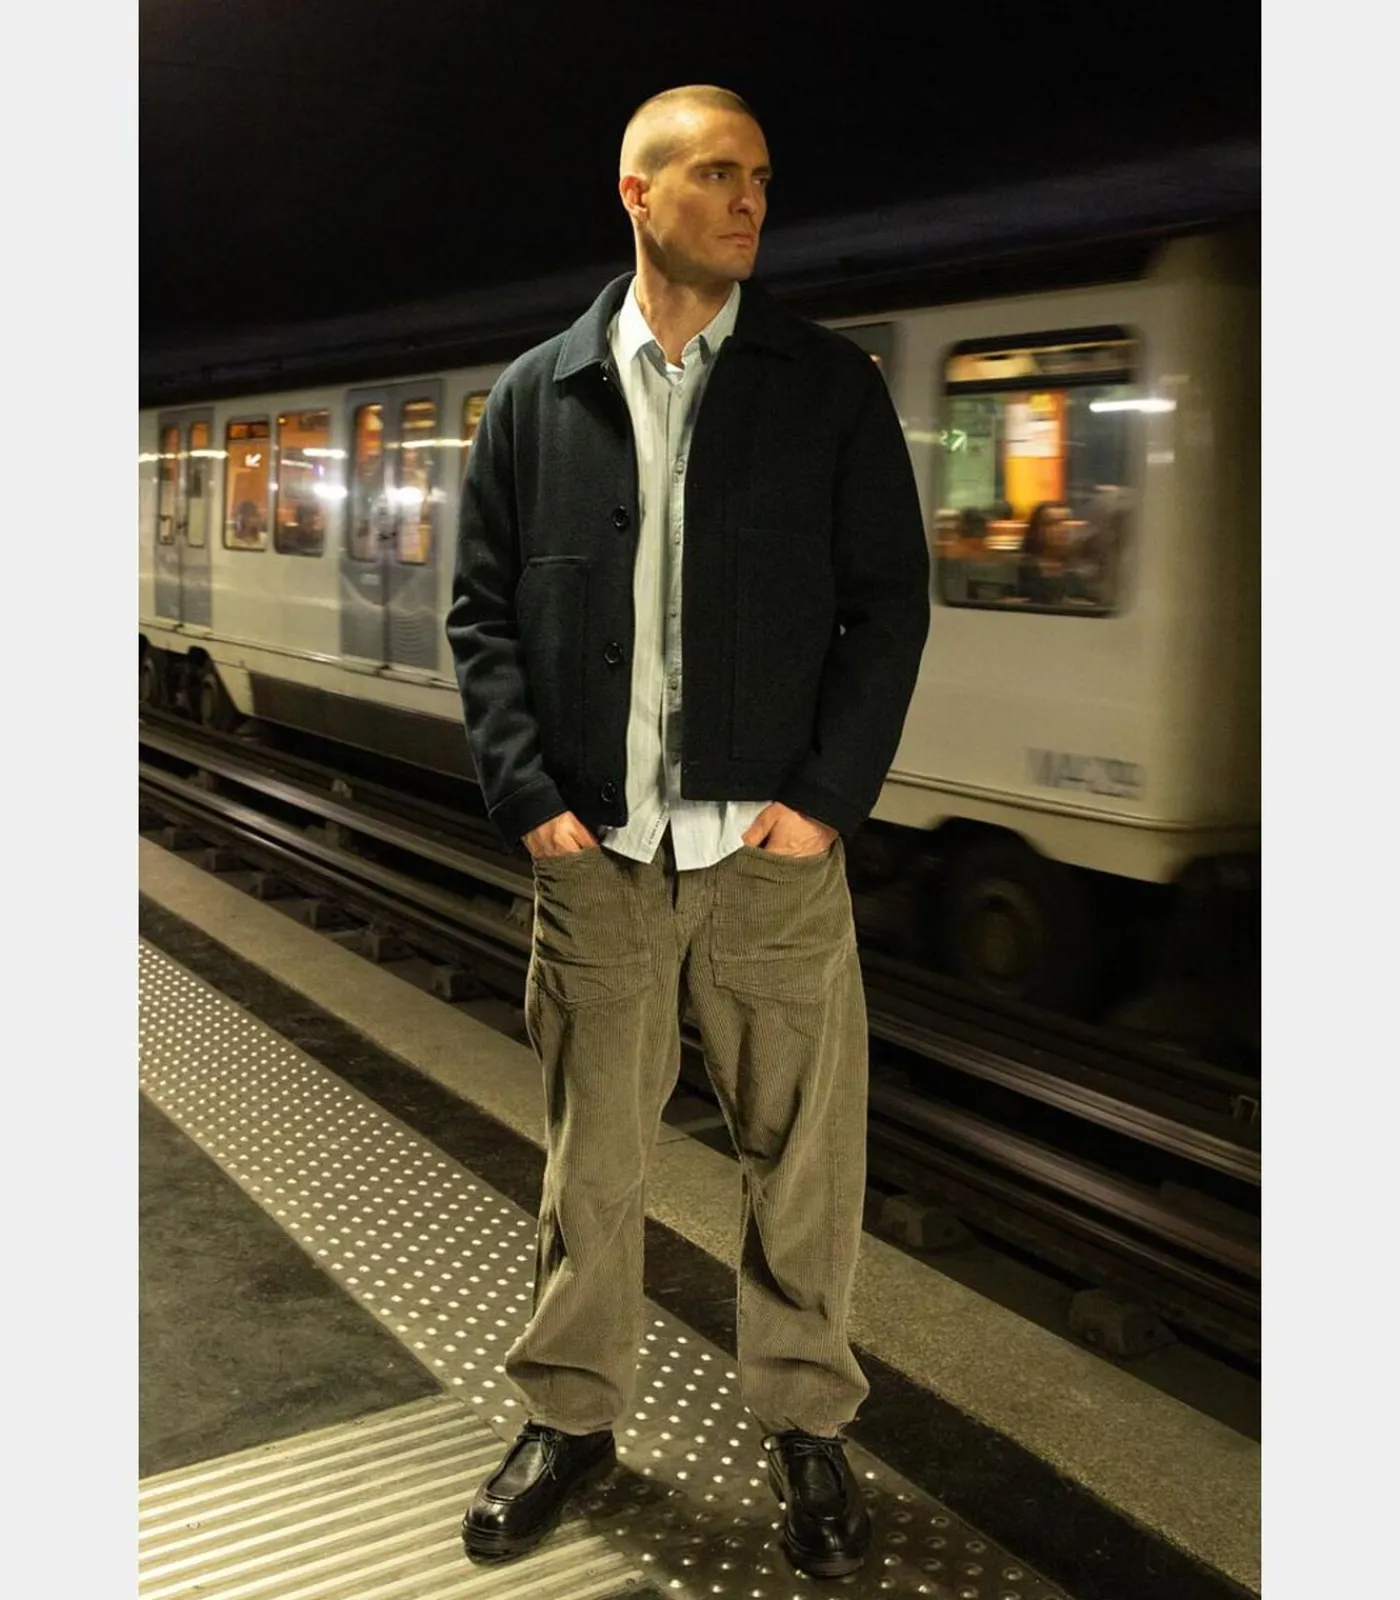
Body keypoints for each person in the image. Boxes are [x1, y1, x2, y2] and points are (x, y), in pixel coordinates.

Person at [445, 84, 930, 1580]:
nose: (751, 201)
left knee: (803, 1163)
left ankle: (807, 1424)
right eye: (717, 174)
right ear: (637, 195)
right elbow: (481, 615)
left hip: (768, 859)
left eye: (761, 177)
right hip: (597, 855)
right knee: (590, 1162)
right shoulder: (537, 397)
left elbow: (888, 607)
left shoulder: (825, 386)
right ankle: (569, 1419)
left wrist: (824, 803)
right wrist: (531, 800)